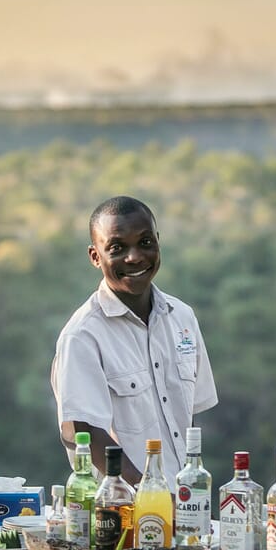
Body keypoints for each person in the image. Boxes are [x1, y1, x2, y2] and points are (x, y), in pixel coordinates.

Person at [50, 196, 218, 487]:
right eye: (117, 248)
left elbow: (189, 418)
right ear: (95, 256)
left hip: (186, 503)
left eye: (145, 242)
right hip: (119, 515)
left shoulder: (183, 318)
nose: (135, 257)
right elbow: (84, 434)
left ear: (158, 242)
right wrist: (150, 495)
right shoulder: (83, 336)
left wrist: (189, 493)